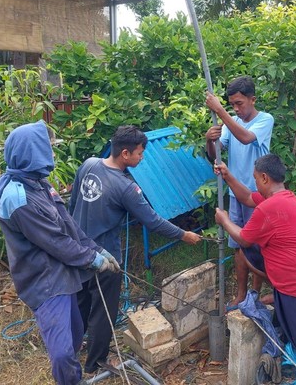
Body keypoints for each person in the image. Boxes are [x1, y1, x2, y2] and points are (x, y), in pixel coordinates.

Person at [0, 121, 118, 385]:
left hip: (63, 273)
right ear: (32, 151)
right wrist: (92, 260)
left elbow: (69, 226)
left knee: (74, 334)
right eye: (47, 147)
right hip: (44, 281)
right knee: (61, 353)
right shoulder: (18, 198)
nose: (52, 153)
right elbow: (55, 241)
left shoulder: (39, 184)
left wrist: (97, 248)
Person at [69, 125, 202, 375]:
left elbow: (73, 203)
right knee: (103, 312)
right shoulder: (126, 187)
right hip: (105, 259)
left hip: (77, 250)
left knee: (80, 303)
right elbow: (152, 221)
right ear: (126, 153)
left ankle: (71, 349)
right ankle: (95, 362)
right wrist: (183, 234)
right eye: (140, 153)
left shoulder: (89, 164)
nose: (142, 158)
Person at [214, 154, 296, 384]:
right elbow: (248, 197)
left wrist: (224, 219)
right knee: (245, 255)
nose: (256, 184)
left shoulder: (270, 208)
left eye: (256, 180)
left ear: (265, 177)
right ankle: (275, 301)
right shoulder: (284, 197)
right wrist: (228, 176)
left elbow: (243, 238)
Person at [205, 76, 274, 309]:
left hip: (257, 196)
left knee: (257, 246)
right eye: (232, 104)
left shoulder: (264, 120)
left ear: (252, 99)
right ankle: (241, 294)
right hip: (236, 194)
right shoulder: (231, 121)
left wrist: (220, 111)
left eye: (239, 103)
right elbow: (216, 152)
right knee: (238, 245)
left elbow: (245, 139)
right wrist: (209, 140)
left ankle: (255, 292)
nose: (236, 109)